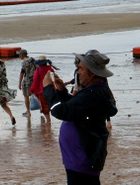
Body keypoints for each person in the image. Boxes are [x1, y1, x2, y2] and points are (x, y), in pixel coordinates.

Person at [51, 49, 118, 185]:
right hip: (78, 159)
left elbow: (59, 111)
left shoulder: (92, 93)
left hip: (82, 159)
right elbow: (74, 108)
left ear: (92, 73)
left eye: (81, 69)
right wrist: (61, 91)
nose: (78, 72)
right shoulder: (94, 91)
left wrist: (47, 88)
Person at [30, 56, 55, 124]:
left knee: (44, 106)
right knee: (49, 104)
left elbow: (35, 81)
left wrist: (32, 89)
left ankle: (48, 120)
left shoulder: (38, 70)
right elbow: (53, 80)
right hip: (51, 90)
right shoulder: (50, 69)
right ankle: (49, 119)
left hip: (41, 91)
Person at [16, 49, 37, 117]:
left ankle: (28, 111)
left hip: (27, 81)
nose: (19, 56)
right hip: (34, 80)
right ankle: (42, 109)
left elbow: (22, 72)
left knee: (26, 97)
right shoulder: (32, 60)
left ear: (23, 55)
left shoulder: (24, 62)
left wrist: (20, 83)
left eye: (20, 55)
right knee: (37, 95)